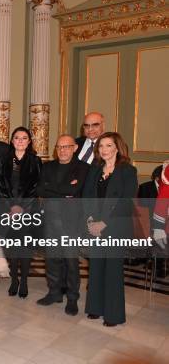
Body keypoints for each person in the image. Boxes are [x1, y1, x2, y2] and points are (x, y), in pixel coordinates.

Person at [82, 132, 137, 326]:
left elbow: (126, 202)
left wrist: (103, 224)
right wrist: (90, 221)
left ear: (117, 147)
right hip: (95, 226)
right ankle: (95, 308)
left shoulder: (127, 171)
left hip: (115, 227)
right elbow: (87, 195)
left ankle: (113, 315)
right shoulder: (95, 169)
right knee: (96, 267)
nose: (104, 150)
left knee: (113, 270)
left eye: (108, 145)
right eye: (101, 146)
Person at [36, 134, 89, 315]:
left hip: (71, 221)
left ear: (75, 148)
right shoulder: (48, 166)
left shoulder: (83, 168)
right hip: (51, 219)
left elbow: (74, 190)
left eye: (66, 147)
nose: (62, 150)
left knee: (71, 261)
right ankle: (54, 293)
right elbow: (40, 189)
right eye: (59, 147)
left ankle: (72, 298)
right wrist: (64, 191)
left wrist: (54, 189)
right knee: (52, 259)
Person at [0, 126, 42, 299]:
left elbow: (36, 186)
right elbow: (0, 184)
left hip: (28, 210)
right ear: (12, 140)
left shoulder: (35, 161)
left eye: (24, 138)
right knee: (12, 248)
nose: (20, 141)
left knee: (25, 248)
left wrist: (21, 207)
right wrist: (10, 207)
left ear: (29, 142)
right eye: (17, 138)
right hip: (8, 211)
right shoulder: (4, 160)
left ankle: (24, 282)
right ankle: (14, 280)